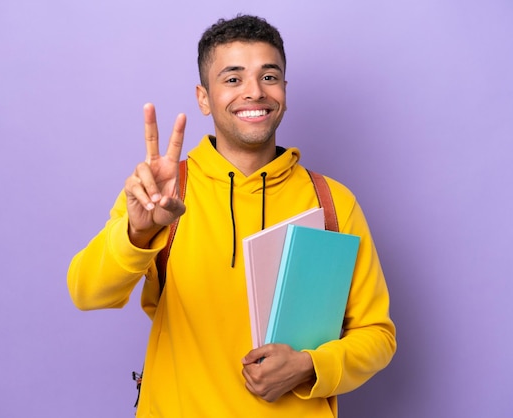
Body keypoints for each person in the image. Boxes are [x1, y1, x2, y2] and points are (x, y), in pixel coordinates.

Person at [67, 14, 396, 417]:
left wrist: (309, 365)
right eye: (233, 78)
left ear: (285, 92)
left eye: (269, 77)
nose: (254, 92)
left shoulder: (332, 201)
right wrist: (137, 232)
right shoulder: (163, 192)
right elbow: (85, 292)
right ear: (204, 97)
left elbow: (377, 335)